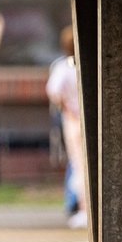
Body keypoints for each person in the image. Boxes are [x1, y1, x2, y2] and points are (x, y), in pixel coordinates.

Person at [46, 26, 87, 230]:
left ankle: (83, 209)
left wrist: (67, 107)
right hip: (87, 118)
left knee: (79, 165)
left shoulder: (62, 67)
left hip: (72, 121)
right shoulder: (89, 63)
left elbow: (53, 91)